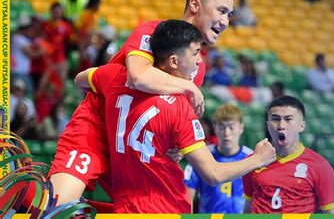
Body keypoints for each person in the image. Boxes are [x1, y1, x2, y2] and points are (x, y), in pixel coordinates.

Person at [48, 0, 236, 206]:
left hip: (133, 151)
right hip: (94, 132)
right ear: (195, 4)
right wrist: (188, 86)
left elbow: (171, 117)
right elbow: (139, 76)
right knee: (56, 208)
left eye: (229, 15)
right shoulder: (151, 31)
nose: (226, 21)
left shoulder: (197, 67)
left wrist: (176, 147)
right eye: (221, 10)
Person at [75, 20, 275, 213]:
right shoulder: (179, 107)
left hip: (125, 207)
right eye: (196, 53)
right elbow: (213, 174)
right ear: (173, 61)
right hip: (167, 208)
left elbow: (79, 80)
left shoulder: (115, 76)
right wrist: (257, 159)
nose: (200, 60)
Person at [243, 96, 334, 213]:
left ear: (301, 126)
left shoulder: (320, 166)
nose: (281, 126)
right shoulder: (253, 162)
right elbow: (248, 208)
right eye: (275, 119)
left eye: (288, 119)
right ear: (268, 125)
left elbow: (332, 214)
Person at [184, 104, 252, 213]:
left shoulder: (251, 158)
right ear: (215, 128)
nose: (227, 133)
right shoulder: (201, 156)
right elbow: (187, 197)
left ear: (241, 127)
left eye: (231, 127)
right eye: (222, 127)